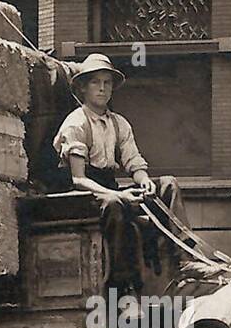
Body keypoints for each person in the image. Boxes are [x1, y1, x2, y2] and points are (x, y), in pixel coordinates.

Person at [52, 53, 186, 292]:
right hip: (83, 195)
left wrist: (144, 180)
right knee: (114, 203)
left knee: (168, 184)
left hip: (111, 188)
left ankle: (183, 258)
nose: (102, 89)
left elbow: (133, 160)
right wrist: (122, 196)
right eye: (95, 82)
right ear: (83, 88)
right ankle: (122, 286)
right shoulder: (76, 124)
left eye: (107, 83)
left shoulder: (119, 123)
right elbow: (78, 178)